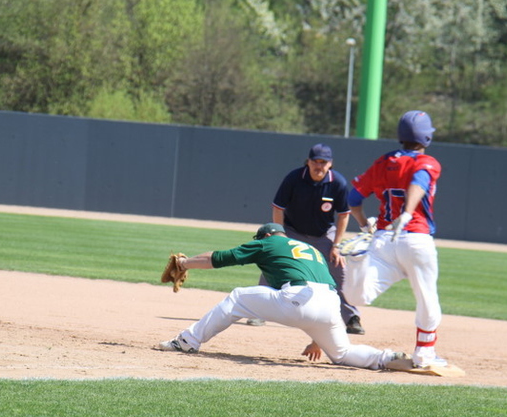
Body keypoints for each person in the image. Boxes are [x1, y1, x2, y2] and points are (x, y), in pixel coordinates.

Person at [157, 222, 404, 370]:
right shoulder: (312, 250)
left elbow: (218, 258)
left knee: (237, 298)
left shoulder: (267, 243)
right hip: (331, 305)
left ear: (265, 236)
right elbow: (319, 291)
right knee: (342, 354)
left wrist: (184, 263)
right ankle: (386, 358)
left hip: (298, 298)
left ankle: (188, 341)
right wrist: (317, 339)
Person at [343, 110, 448, 369]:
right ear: (426, 137)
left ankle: (356, 261)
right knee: (427, 298)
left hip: (383, 240)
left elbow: (353, 198)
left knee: (358, 297)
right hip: (416, 240)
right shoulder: (428, 162)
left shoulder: (384, 161)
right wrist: (408, 212)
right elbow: (418, 182)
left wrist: (362, 223)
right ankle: (424, 355)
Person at [246, 143, 365, 335]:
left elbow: (344, 215)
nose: (319, 166)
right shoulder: (294, 178)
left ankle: (351, 318)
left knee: (339, 268)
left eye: (324, 162)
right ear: (308, 162)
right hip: (293, 231)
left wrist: (336, 246)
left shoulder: (337, 182)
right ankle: (259, 311)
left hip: (323, 233)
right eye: (315, 161)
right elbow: (278, 208)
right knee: (275, 262)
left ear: (330, 164)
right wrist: (280, 238)